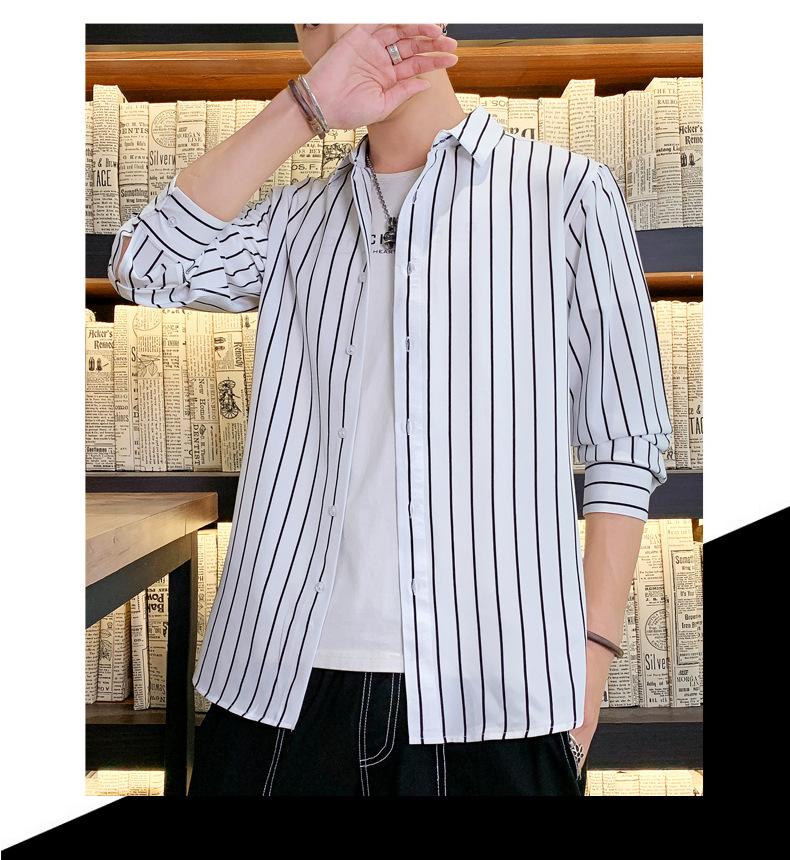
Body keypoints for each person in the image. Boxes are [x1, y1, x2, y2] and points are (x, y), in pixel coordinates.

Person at [109, 23, 672, 796]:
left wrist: (592, 664)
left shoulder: (566, 192)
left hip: (498, 700)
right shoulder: (295, 220)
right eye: (315, 15)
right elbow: (144, 265)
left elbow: (626, 438)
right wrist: (304, 108)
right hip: (276, 691)